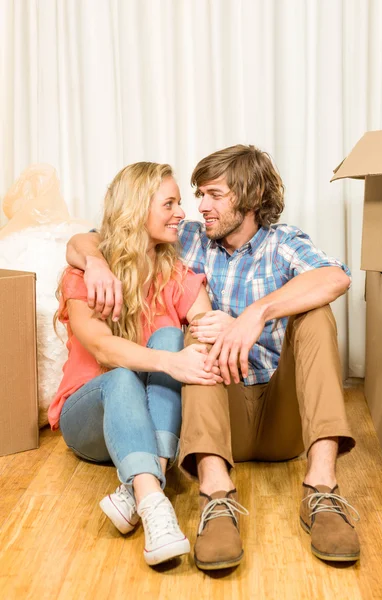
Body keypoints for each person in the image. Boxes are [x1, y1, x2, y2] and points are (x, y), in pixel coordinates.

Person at [66, 145, 360, 570]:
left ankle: (322, 488)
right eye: (195, 195)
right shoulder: (185, 238)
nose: (198, 208)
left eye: (213, 195)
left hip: (283, 416)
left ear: (251, 196)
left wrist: (255, 315)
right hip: (225, 413)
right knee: (195, 329)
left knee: (315, 313)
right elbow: (100, 236)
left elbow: (336, 276)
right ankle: (215, 495)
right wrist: (94, 261)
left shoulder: (283, 243)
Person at [50, 162, 223, 567]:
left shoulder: (175, 273)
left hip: (144, 426)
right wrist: (173, 363)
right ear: (136, 208)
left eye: (180, 203)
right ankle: (155, 503)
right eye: (170, 203)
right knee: (123, 374)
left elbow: (201, 327)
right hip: (88, 416)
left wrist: (220, 326)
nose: (183, 212)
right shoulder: (87, 273)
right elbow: (104, 350)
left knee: (171, 337)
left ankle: (144, 491)